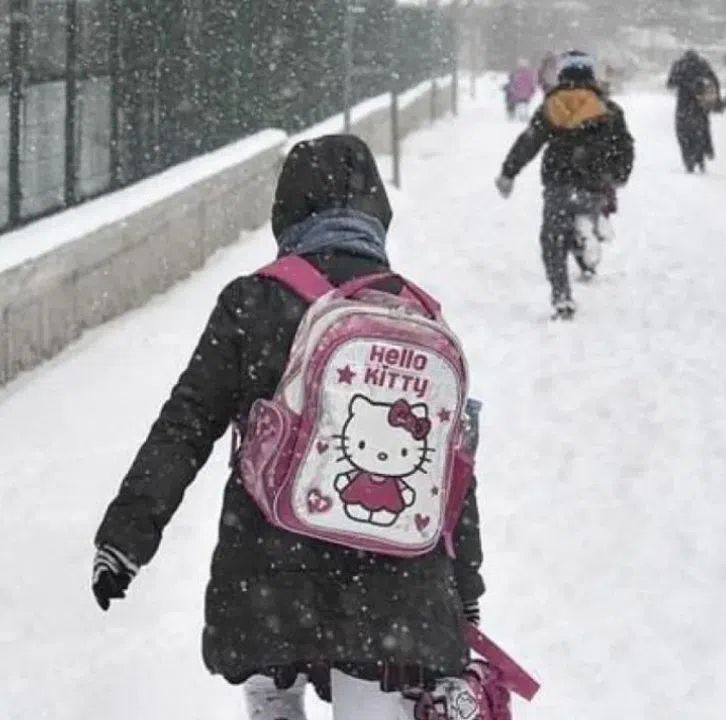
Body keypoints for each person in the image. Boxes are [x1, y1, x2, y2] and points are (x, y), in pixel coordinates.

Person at [89, 134, 487, 718]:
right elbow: (451, 472)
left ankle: (274, 697)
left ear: (287, 211)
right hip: (394, 589)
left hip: (269, 573)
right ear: (377, 213)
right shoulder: (416, 314)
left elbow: (186, 424)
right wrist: (465, 593)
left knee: (272, 681)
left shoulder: (253, 302)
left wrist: (125, 538)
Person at [495, 50, 635, 320]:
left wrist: (508, 173)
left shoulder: (551, 106)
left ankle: (562, 296)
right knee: (584, 215)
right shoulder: (609, 110)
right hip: (595, 183)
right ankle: (590, 234)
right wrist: (619, 175)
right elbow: (625, 146)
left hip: (559, 182)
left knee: (553, 239)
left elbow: (529, 142)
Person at [666, 49, 721, 173]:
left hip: (684, 104)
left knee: (684, 133)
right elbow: (714, 80)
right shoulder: (702, 64)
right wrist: (717, 100)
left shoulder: (679, 65)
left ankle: (689, 160)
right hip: (699, 103)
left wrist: (683, 82)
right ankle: (702, 155)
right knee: (701, 131)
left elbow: (670, 83)